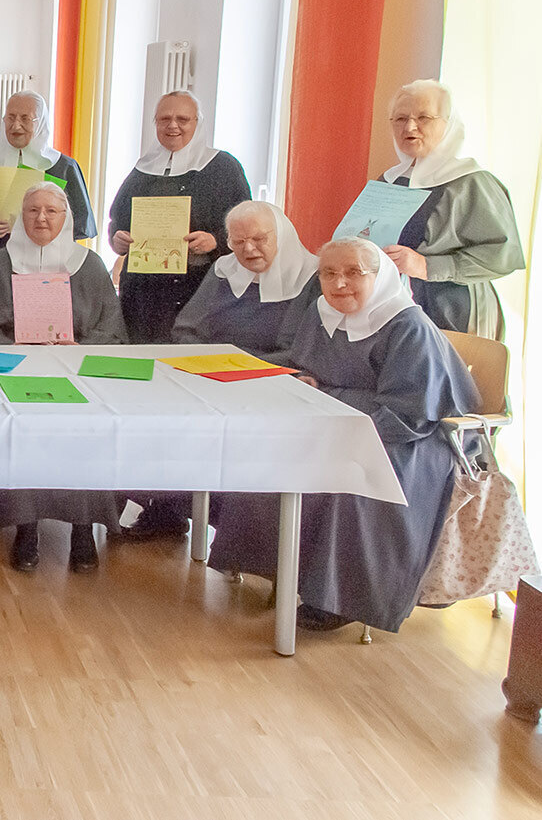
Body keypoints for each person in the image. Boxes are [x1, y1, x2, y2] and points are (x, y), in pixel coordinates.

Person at [208, 238, 477, 634]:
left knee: (347, 482)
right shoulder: (320, 313)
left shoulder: (407, 326)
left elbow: (409, 413)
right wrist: (299, 382)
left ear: (381, 276)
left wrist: (329, 395)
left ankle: (337, 599)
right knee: (263, 457)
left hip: (410, 440)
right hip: (337, 423)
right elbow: (304, 371)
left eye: (354, 273)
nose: (339, 284)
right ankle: (279, 571)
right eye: (328, 274)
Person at [0, 183, 126, 572]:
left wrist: (77, 349)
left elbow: (111, 329)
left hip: (77, 373)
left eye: (52, 211)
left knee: (86, 437)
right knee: (22, 435)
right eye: (33, 211)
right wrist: (13, 346)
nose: (42, 218)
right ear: (22, 217)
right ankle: (25, 528)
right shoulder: (1, 264)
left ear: (67, 218)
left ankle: (83, 530)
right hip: (18, 371)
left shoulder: (90, 264)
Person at [108, 91, 250, 540]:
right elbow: (114, 225)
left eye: (183, 119)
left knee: (184, 403)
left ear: (199, 122)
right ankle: (149, 505)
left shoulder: (223, 167)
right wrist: (119, 240)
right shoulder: (141, 168)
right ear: (154, 122)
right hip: (143, 298)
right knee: (141, 396)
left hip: (196, 298)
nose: (173, 126)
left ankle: (182, 509)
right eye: (165, 119)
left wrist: (216, 242)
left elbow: (245, 231)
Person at [374, 79, 524, 339]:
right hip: (394, 308)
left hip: (455, 310)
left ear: (449, 124)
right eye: (400, 119)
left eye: (424, 117)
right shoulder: (388, 180)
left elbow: (502, 256)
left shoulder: (472, 182)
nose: (410, 127)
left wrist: (427, 265)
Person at [0, 90, 96, 287]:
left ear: (40, 123)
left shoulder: (63, 167)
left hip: (49, 265)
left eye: (25, 118)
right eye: (10, 118)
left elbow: (81, 222)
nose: (16, 125)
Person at [171, 200, 319, 358]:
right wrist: (208, 357)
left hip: (274, 373)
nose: (248, 249)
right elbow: (185, 329)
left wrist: (246, 365)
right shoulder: (223, 270)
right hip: (215, 366)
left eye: (259, 239)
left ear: (282, 235)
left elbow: (311, 351)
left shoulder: (313, 275)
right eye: (238, 242)